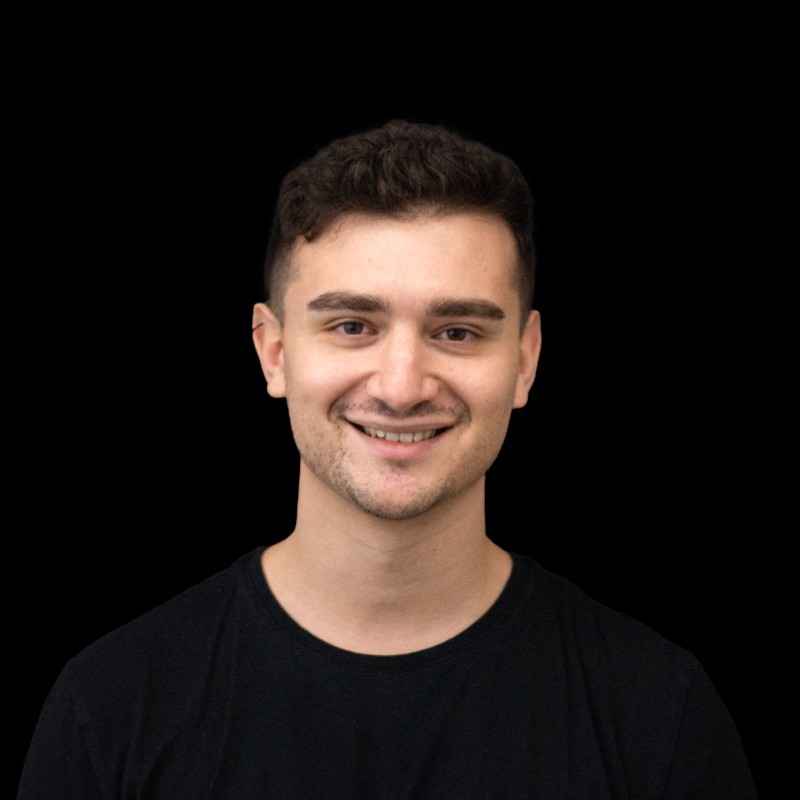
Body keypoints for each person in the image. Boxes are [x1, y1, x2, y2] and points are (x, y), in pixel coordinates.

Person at [17, 119, 756, 799]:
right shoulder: (110, 707)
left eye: (457, 332)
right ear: (274, 353)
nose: (402, 387)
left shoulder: (659, 715)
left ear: (525, 361)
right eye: (352, 325)